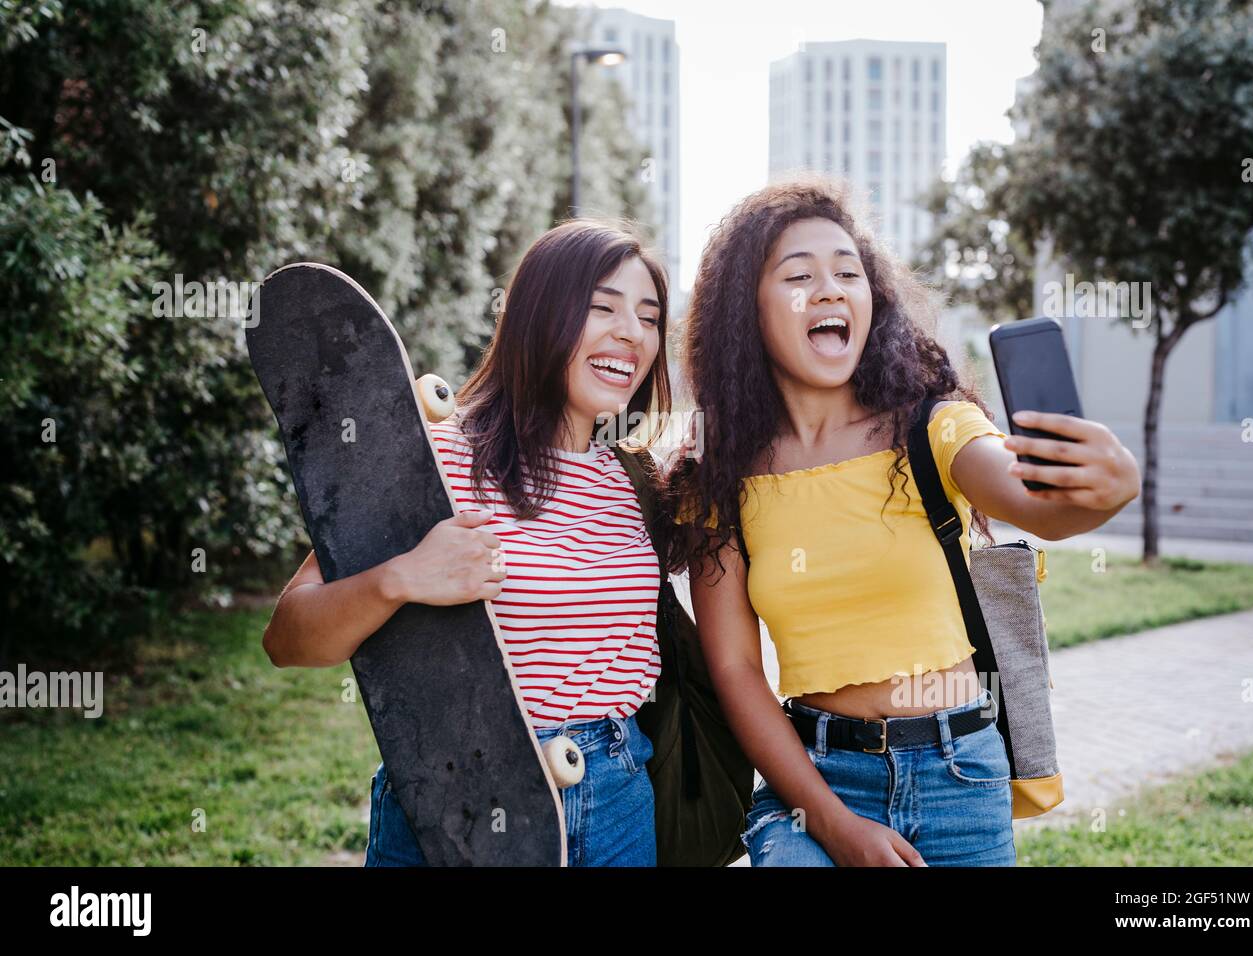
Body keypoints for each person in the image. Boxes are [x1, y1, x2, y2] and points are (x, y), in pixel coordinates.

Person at [664, 177, 1140, 866]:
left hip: (960, 776)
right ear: (749, 312)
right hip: (815, 779)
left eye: (847, 272)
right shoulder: (721, 476)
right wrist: (831, 824)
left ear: (871, 298)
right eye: (799, 275)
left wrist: (1105, 487)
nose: (830, 289)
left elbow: (1037, 504)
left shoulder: (932, 424)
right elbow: (737, 670)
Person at [262, 219, 673, 866]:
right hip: (460, 793)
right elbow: (287, 637)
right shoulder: (443, 459)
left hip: (615, 796)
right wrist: (398, 578)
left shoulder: (633, 480)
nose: (632, 332)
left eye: (650, 318)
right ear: (540, 316)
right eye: (602, 308)